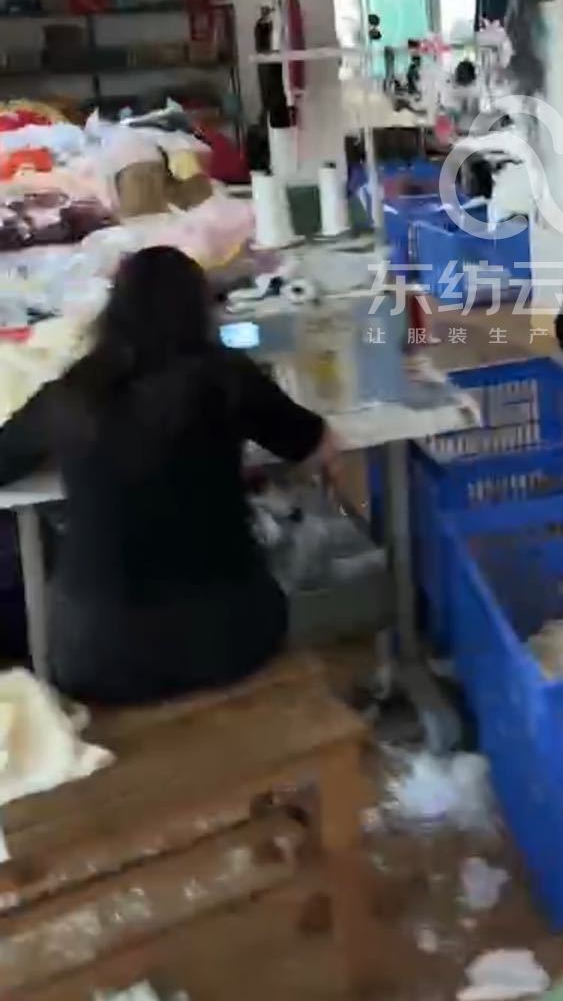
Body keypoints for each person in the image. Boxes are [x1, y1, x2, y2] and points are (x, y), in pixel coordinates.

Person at [0, 246, 340, 705]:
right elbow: (318, 445)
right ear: (200, 310)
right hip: (231, 640)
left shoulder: (71, 395)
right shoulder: (226, 378)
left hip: (98, 659)